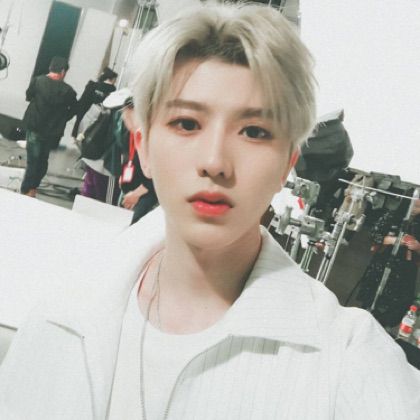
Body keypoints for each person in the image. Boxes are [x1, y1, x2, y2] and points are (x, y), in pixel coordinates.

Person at [1, 4, 419, 420]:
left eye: (254, 131)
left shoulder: (349, 362)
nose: (215, 161)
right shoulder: (63, 312)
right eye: (186, 123)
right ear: (144, 148)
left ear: (286, 165)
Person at [20, 56, 77, 197]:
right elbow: (74, 109)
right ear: (63, 71)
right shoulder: (69, 91)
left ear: (51, 68)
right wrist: (63, 118)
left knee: (33, 161)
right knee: (42, 161)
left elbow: (28, 96)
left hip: (35, 126)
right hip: (53, 131)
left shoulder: (38, 81)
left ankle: (27, 190)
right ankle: (32, 188)